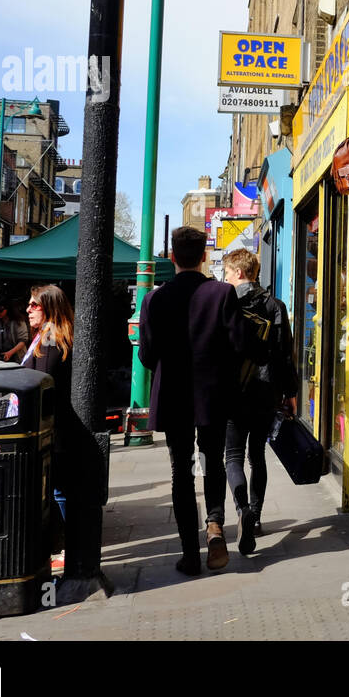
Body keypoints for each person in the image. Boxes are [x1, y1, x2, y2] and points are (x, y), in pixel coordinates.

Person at [139, 227, 263, 576]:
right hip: (213, 395)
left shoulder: (154, 299)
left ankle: (189, 553)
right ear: (204, 257)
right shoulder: (222, 294)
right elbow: (240, 345)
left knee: (181, 471)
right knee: (213, 461)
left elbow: (147, 356)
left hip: (173, 397)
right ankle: (214, 526)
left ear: (173, 257)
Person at [221, 249, 298, 556]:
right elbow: (285, 354)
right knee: (258, 456)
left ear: (239, 272)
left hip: (235, 393)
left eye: (227, 272)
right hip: (267, 393)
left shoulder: (228, 304)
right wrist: (289, 394)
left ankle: (242, 511)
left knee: (233, 457)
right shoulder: (275, 306)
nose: (225, 277)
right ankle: (257, 515)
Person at [21, 285, 76, 552]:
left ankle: (67, 548)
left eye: (34, 305)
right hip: (53, 429)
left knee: (58, 491)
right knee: (57, 490)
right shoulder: (46, 336)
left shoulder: (51, 339)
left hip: (54, 430)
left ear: (50, 308)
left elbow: (41, 383)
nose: (28, 310)